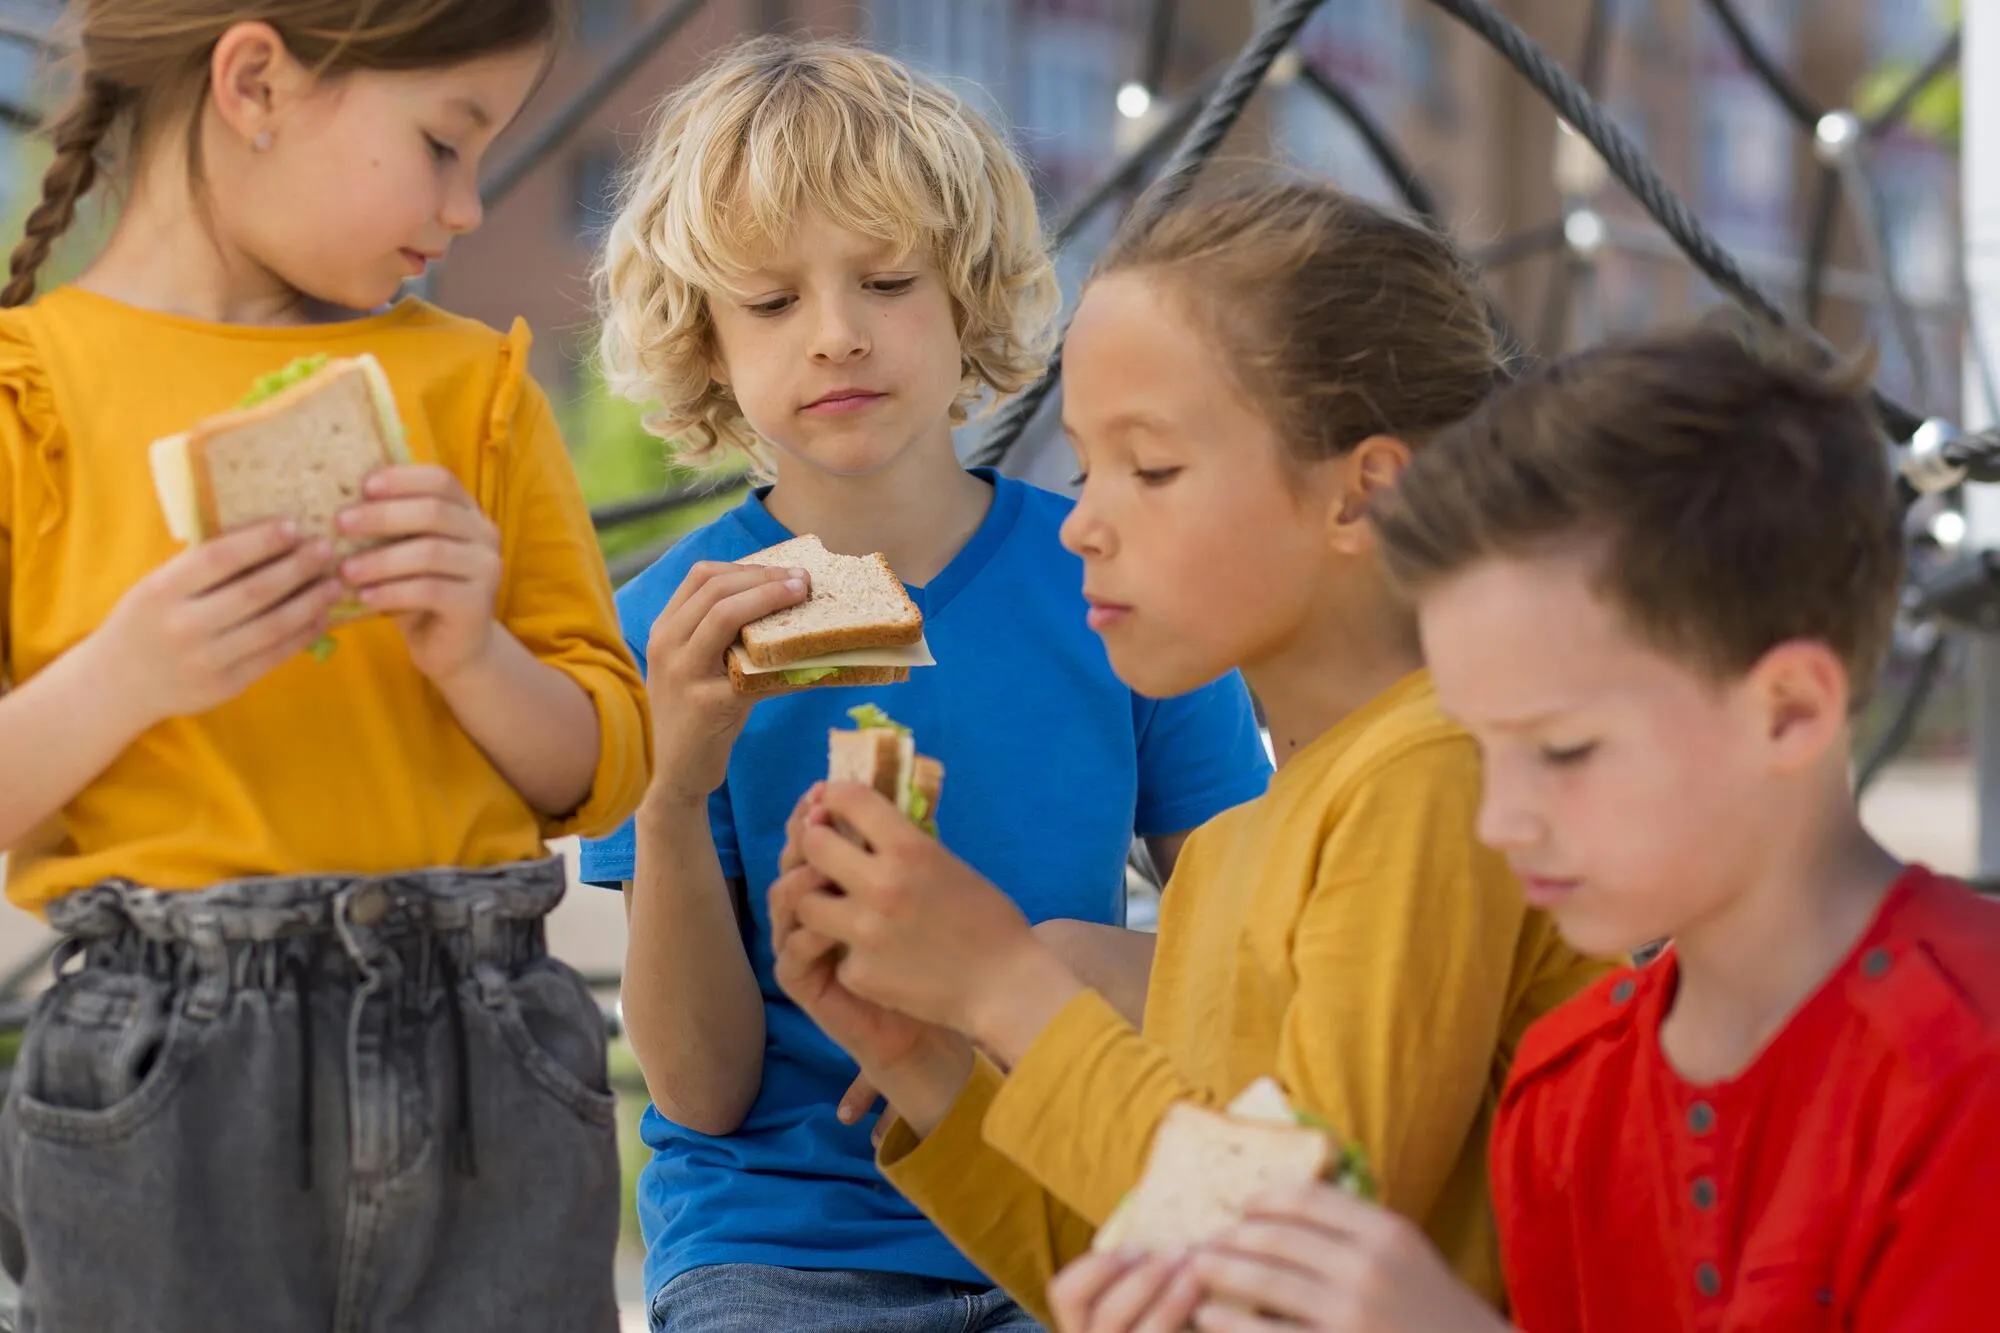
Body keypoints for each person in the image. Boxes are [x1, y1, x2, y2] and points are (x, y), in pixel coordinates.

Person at [765, 174, 1610, 1329]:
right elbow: (1160, 1270)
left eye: (1148, 469)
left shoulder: (1433, 769)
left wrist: (1003, 984)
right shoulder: (1225, 852)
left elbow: (1300, 1246)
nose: (1078, 522)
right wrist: (924, 1063)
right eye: (1081, 466)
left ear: (1360, 496)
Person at [1053, 323, 2000, 1332]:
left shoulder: (1963, 1065)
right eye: (1480, 745)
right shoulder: (1570, 1085)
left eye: (1559, 751)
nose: (1499, 819)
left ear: (1786, 712)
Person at [581, 36, 1272, 1333]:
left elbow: (1255, 949)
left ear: (966, 296)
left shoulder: (1114, 585)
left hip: (1083, 1203)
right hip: (780, 1247)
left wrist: (1033, 973)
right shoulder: (668, 630)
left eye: (887, 279)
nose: (837, 335)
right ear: (707, 344)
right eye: (773, 303)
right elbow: (702, 1090)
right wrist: (673, 794)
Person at [0, 4, 652, 1329]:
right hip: (159, 1081)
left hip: (493, 1051)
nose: (468, 208)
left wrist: (475, 654)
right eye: (444, 143)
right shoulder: (31, 396)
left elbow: (603, 763)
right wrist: (125, 673)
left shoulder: (477, 393)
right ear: (255, 83)